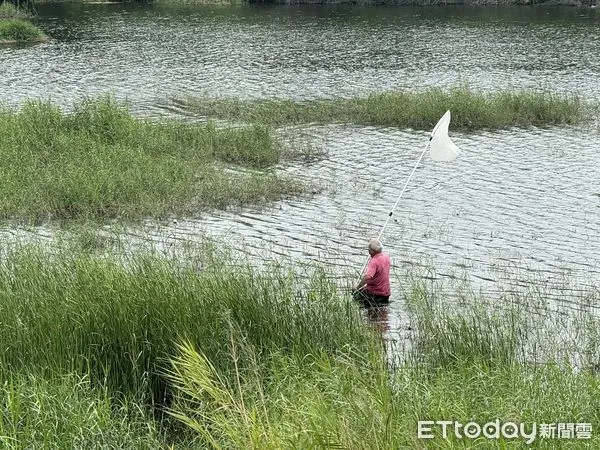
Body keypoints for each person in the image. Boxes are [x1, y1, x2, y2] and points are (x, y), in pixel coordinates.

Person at [353, 238, 391, 306]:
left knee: (354, 296)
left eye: (368, 250)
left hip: (374, 295)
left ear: (372, 251)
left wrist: (357, 287)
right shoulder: (387, 257)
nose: (368, 251)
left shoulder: (374, 261)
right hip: (386, 294)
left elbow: (368, 277)